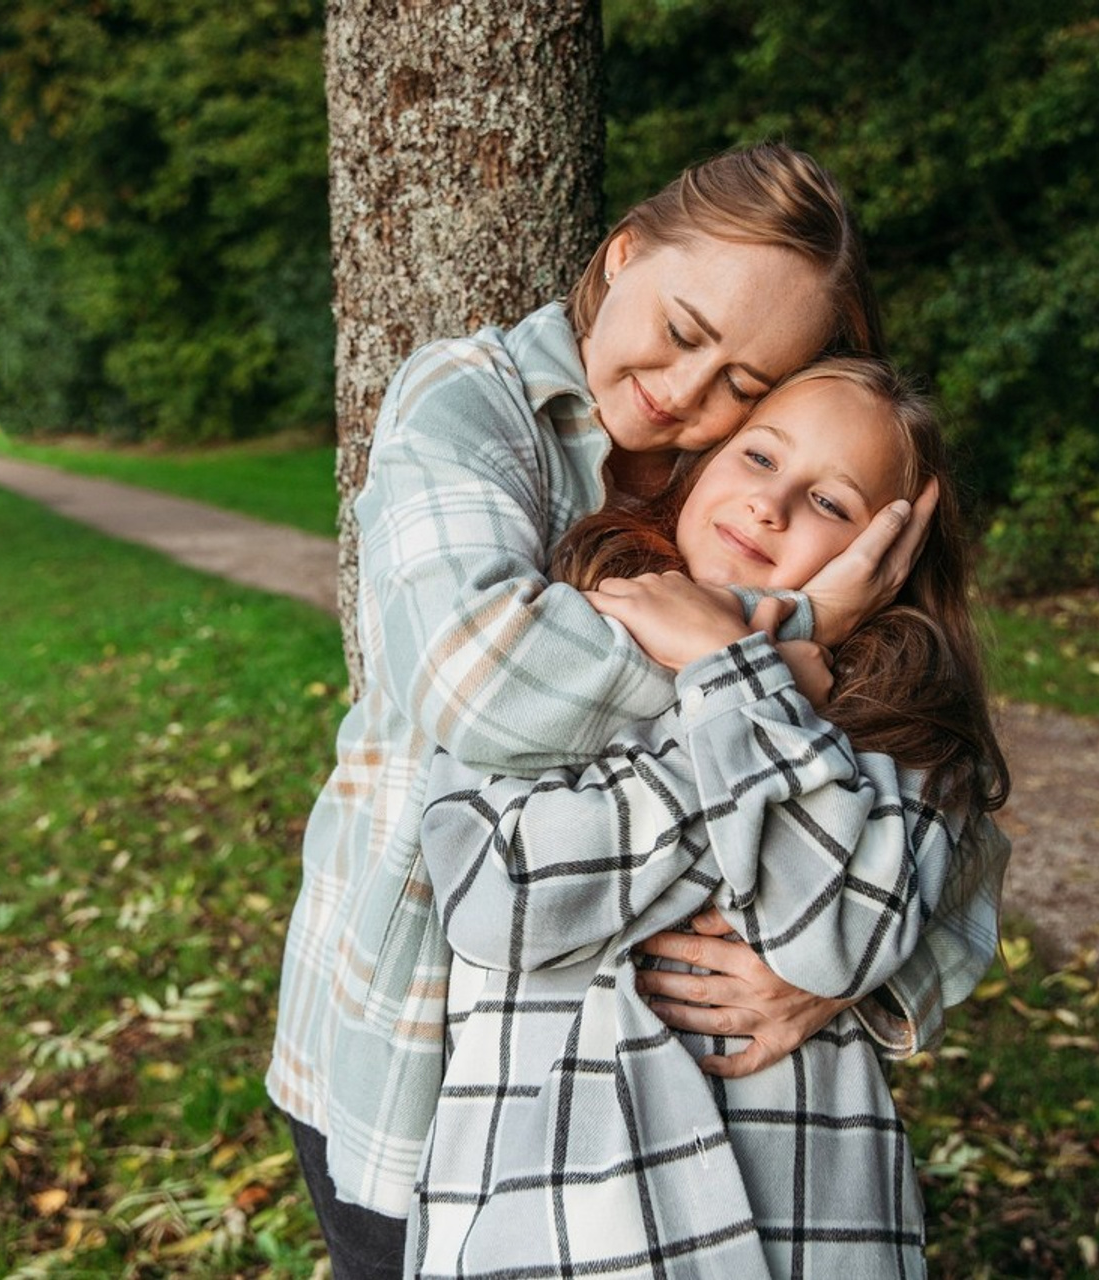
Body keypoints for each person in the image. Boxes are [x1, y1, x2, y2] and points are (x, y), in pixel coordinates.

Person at [266, 142, 994, 1277]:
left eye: (745, 385)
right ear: (623, 254)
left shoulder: (738, 482)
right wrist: (783, 637)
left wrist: (853, 968)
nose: (687, 396)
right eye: (684, 330)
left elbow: (955, 833)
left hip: (710, 1141)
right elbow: (485, 684)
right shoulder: (474, 404)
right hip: (415, 1043)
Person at [409, 357, 1010, 1278]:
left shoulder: (903, 726)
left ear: (887, 561)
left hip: (804, 1219)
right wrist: (747, 687)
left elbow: (837, 941)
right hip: (549, 1217)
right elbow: (502, 901)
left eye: (833, 505)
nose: (773, 506)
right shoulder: (553, 648)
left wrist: (733, 672)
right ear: (698, 466)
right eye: (760, 457)